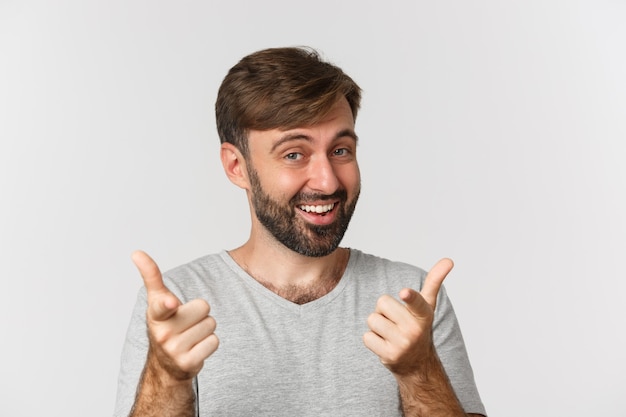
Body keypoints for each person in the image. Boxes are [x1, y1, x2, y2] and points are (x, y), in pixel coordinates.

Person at [114, 46, 486, 417]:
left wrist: (419, 371)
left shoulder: (412, 301)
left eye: (341, 151)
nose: (326, 181)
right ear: (236, 166)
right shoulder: (179, 301)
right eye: (294, 154)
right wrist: (167, 378)